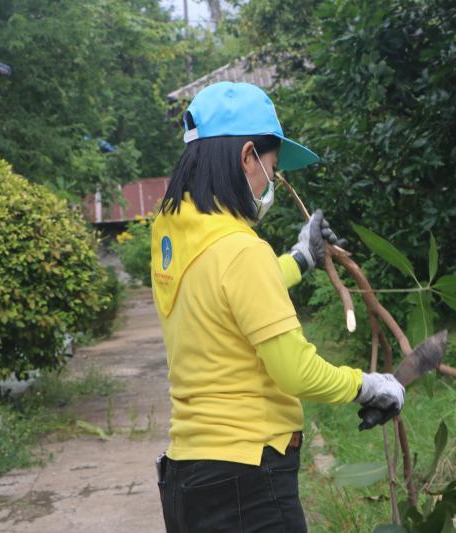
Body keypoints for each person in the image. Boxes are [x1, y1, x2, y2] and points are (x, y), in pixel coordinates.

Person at [151, 81, 405, 532]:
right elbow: (295, 371)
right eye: (273, 167)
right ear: (248, 156)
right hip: (248, 477)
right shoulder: (241, 250)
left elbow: (225, 293)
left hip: (187, 476)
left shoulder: (171, 235)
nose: (273, 180)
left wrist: (299, 259)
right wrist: (367, 385)